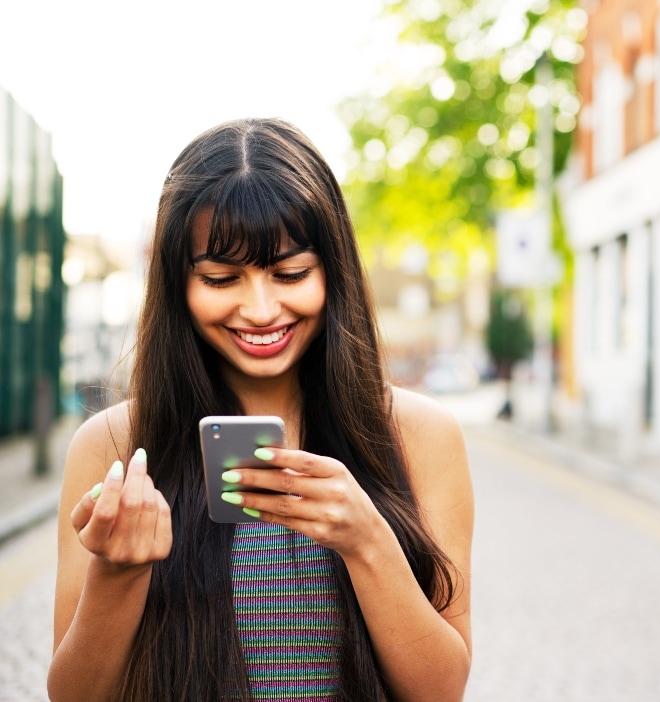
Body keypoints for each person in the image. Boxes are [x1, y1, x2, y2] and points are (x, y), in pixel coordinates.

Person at [47, 118, 474, 701]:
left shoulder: (418, 434)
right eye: (222, 279)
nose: (261, 308)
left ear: (333, 270)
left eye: (290, 273)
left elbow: (440, 691)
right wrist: (118, 572)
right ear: (179, 285)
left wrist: (366, 539)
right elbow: (74, 696)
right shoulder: (114, 445)